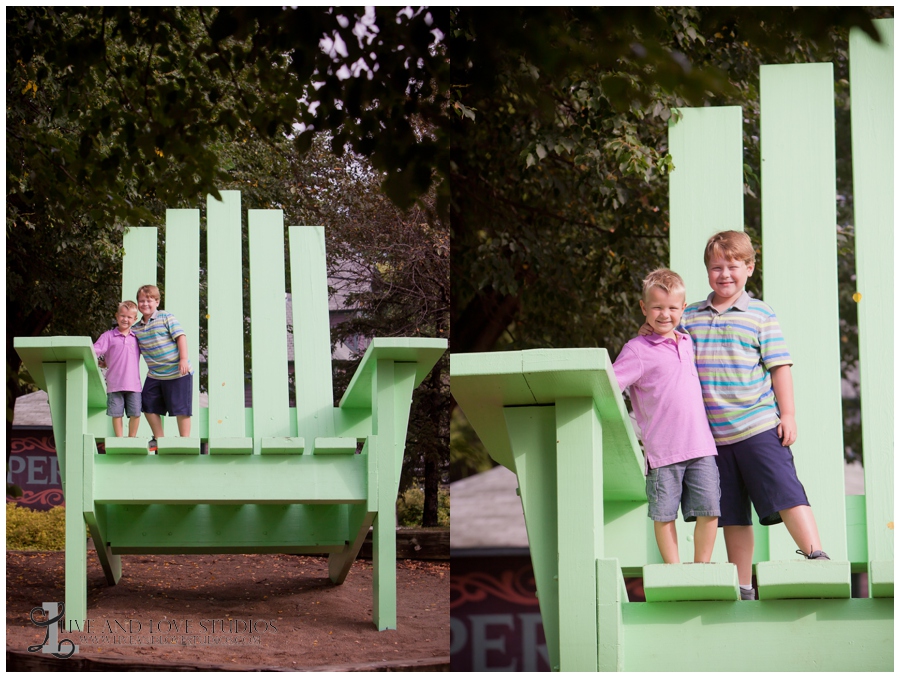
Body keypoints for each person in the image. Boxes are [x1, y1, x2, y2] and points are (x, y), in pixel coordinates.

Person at [643, 230, 829, 600]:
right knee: (731, 514)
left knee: (786, 490)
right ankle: (744, 585)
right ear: (707, 271)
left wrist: (787, 414)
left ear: (749, 268)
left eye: (733, 266)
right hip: (711, 438)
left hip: (757, 425)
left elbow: (779, 367)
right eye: (716, 267)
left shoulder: (760, 313)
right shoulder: (690, 315)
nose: (724, 274)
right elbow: (661, 337)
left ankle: (815, 553)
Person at [613, 269, 720, 565]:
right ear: (643, 308)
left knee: (710, 510)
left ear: (682, 309)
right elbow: (609, 385)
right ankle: (674, 570)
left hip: (701, 446)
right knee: (663, 514)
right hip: (663, 452)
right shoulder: (636, 350)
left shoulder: (688, 342)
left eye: (672, 308)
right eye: (657, 307)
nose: (664, 314)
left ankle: (702, 568)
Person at [132, 285, 192, 447]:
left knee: (181, 408)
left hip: (177, 371)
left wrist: (184, 359)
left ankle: (185, 440)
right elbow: (127, 350)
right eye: (141, 301)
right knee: (147, 405)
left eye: (149, 300)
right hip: (155, 374)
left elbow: (181, 336)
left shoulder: (166, 317)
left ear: (157, 302)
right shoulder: (135, 328)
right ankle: (159, 439)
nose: (145, 304)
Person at [93, 301, 142, 438]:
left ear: (135, 319)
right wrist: (99, 362)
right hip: (115, 384)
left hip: (134, 384)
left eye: (129, 317)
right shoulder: (108, 336)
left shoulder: (137, 337)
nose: (125, 319)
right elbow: (94, 350)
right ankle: (119, 439)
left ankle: (132, 438)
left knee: (136, 413)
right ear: (116, 316)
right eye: (122, 316)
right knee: (116, 414)